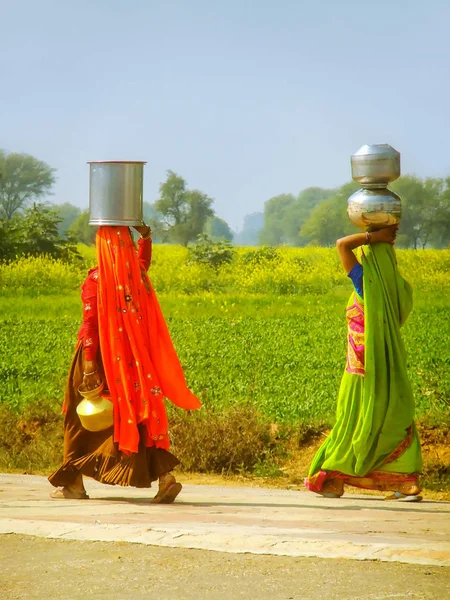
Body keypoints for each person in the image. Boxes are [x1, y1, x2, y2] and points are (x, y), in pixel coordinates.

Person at [49, 224, 201, 502]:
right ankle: (165, 479)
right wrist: (145, 238)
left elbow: (90, 325)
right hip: (133, 360)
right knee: (139, 414)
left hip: (101, 360)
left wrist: (90, 366)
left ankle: (74, 484)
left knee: (77, 417)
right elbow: (142, 262)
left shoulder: (96, 280)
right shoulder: (136, 277)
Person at [305, 225, 423, 502]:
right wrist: (383, 240)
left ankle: (334, 477)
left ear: (368, 259)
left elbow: (342, 244)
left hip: (361, 372)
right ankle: (404, 482)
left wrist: (372, 238)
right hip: (389, 369)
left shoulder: (364, 281)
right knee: (394, 419)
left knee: (355, 420)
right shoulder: (400, 289)